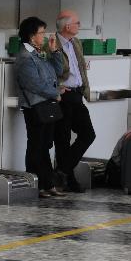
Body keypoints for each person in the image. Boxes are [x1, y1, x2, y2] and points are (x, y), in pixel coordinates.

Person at [15, 17, 66, 198]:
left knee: (45, 145)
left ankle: (48, 184)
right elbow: (34, 84)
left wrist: (55, 51)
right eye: (41, 33)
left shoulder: (39, 53)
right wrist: (55, 93)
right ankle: (36, 184)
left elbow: (58, 71)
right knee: (36, 145)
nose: (44, 36)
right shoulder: (25, 57)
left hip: (46, 104)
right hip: (35, 106)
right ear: (31, 36)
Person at [53, 10, 96, 192]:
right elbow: (50, 70)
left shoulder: (76, 42)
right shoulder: (52, 44)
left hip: (77, 94)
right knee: (62, 139)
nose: (79, 25)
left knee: (88, 134)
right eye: (77, 23)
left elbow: (80, 68)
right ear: (67, 26)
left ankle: (62, 170)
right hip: (63, 95)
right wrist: (56, 89)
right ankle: (69, 179)